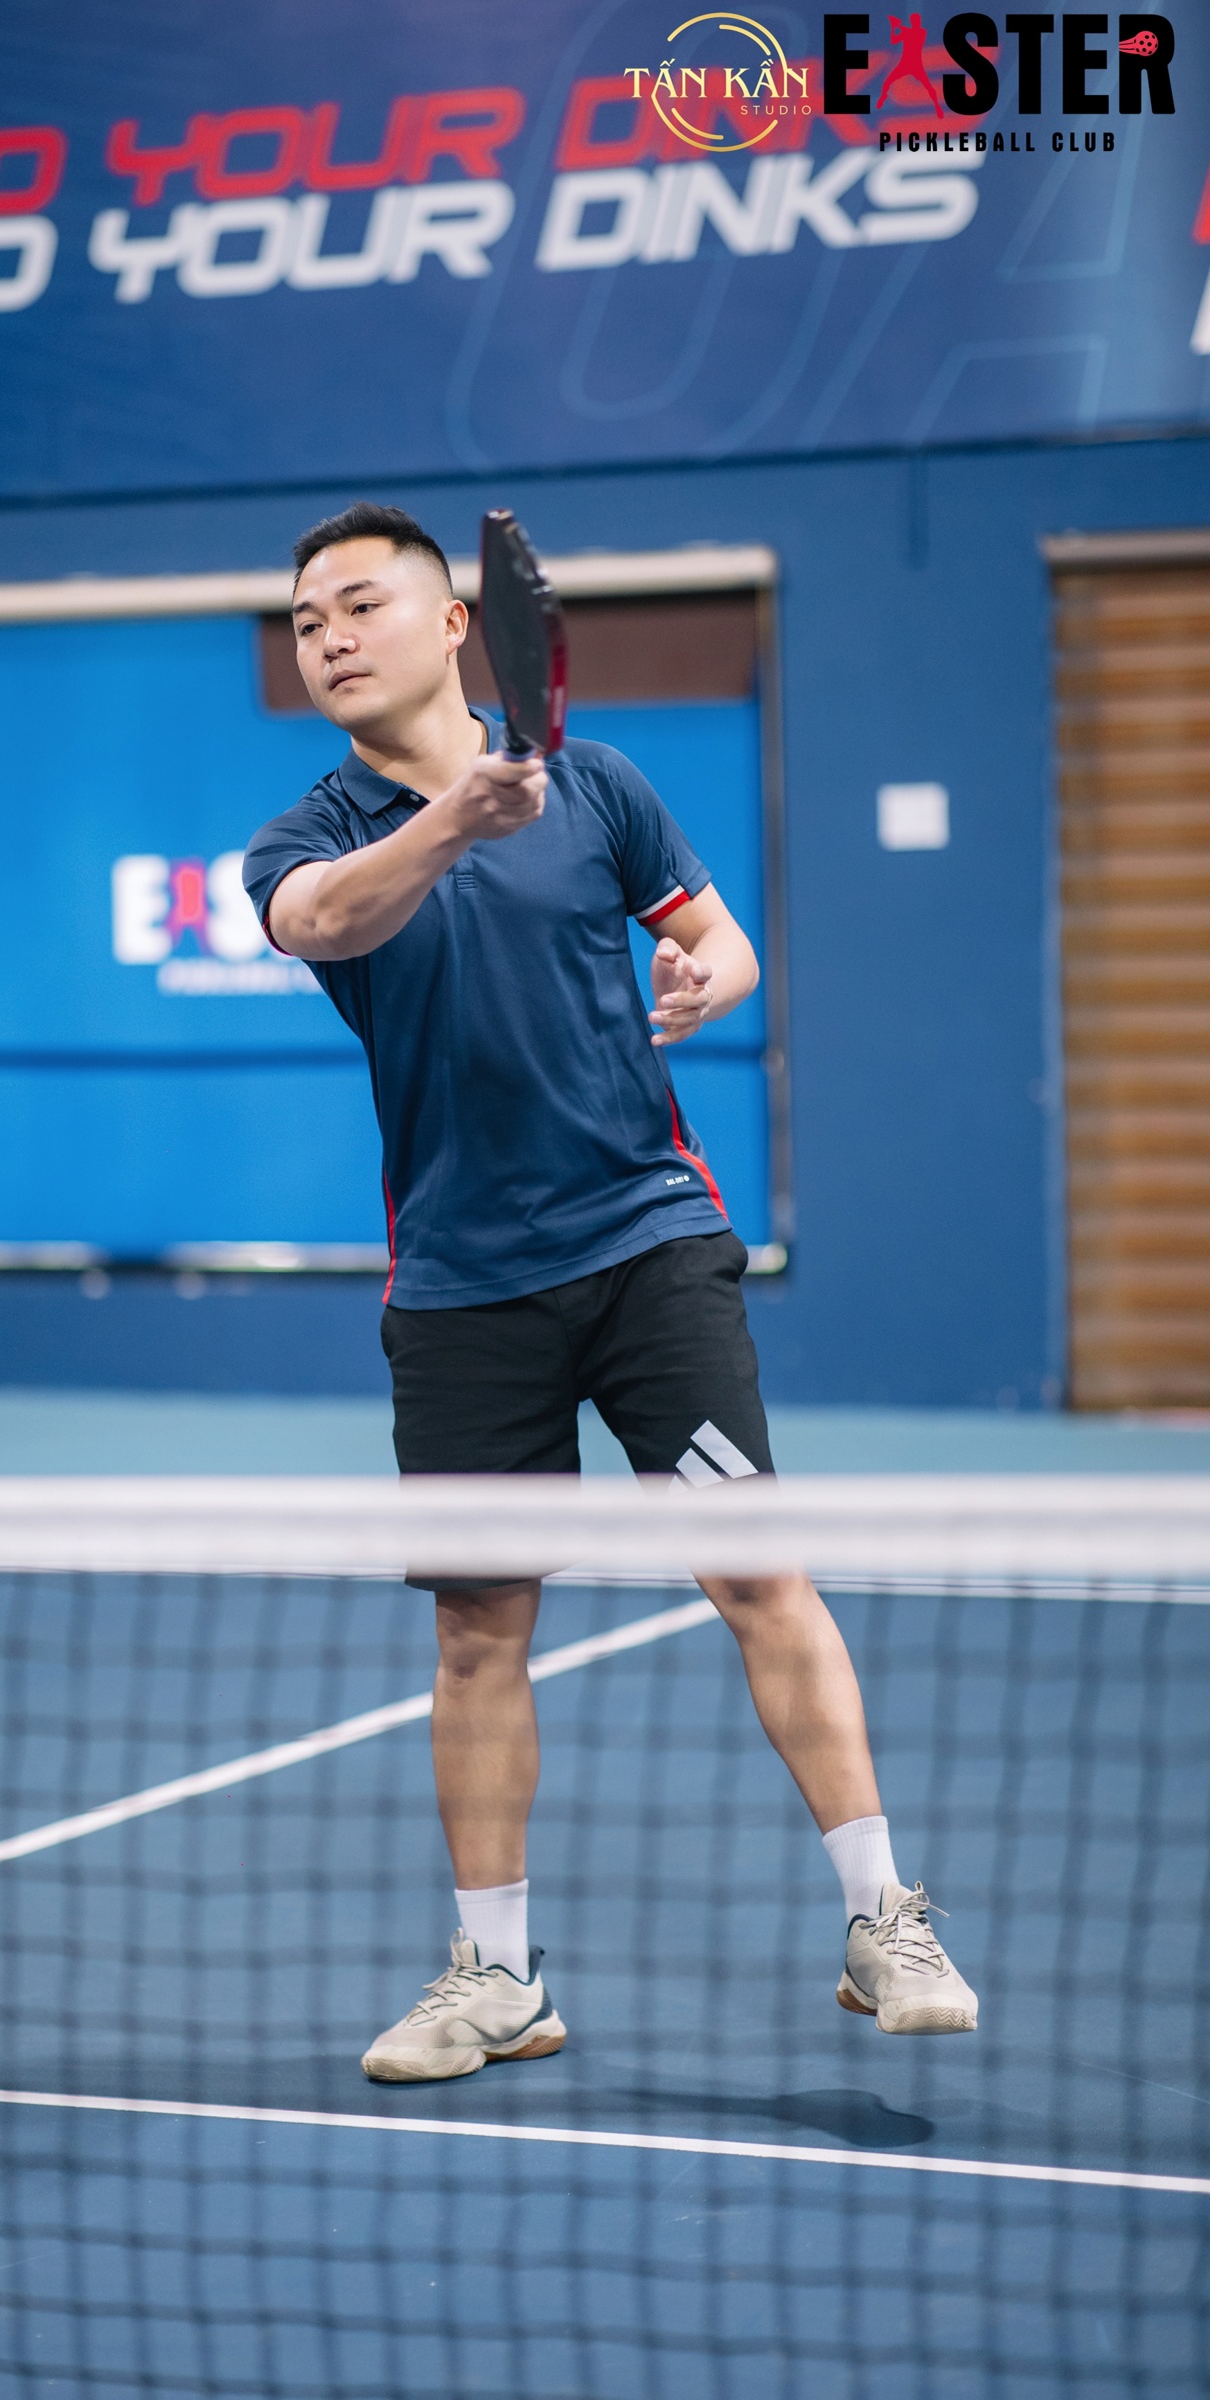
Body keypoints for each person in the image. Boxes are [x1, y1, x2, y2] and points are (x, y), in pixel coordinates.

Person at [242, 501, 976, 2083]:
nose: (330, 639)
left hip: (647, 1252)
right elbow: (326, 920)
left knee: (758, 1576)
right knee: (477, 1636)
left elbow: (723, 942)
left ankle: (884, 1921)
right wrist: (456, 819)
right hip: (463, 1295)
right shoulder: (307, 838)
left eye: (359, 605)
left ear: (457, 624)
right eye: (306, 623)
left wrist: (713, 973)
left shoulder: (600, 786)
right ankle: (500, 1979)